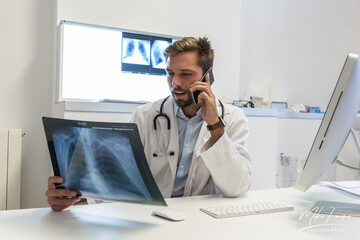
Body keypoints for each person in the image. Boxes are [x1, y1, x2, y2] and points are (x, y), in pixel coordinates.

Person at [46, 36, 251, 211]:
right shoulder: (144, 116)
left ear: (208, 76)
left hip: (202, 219)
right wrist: (73, 197)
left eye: (186, 74)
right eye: (170, 73)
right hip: (153, 217)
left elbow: (235, 187)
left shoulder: (232, 118)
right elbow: (120, 180)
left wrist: (215, 125)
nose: (175, 83)